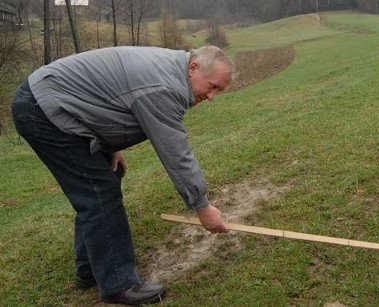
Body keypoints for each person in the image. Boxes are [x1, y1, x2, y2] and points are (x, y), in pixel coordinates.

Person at [12, 45, 234, 305]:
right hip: (44, 109)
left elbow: (111, 98)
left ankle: (90, 270)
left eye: (218, 90)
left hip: (53, 103)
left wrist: (111, 147)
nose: (211, 97)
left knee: (102, 184)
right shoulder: (163, 86)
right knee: (99, 190)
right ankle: (118, 283)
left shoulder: (171, 71)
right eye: (212, 86)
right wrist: (201, 206)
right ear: (193, 67)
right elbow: (176, 153)